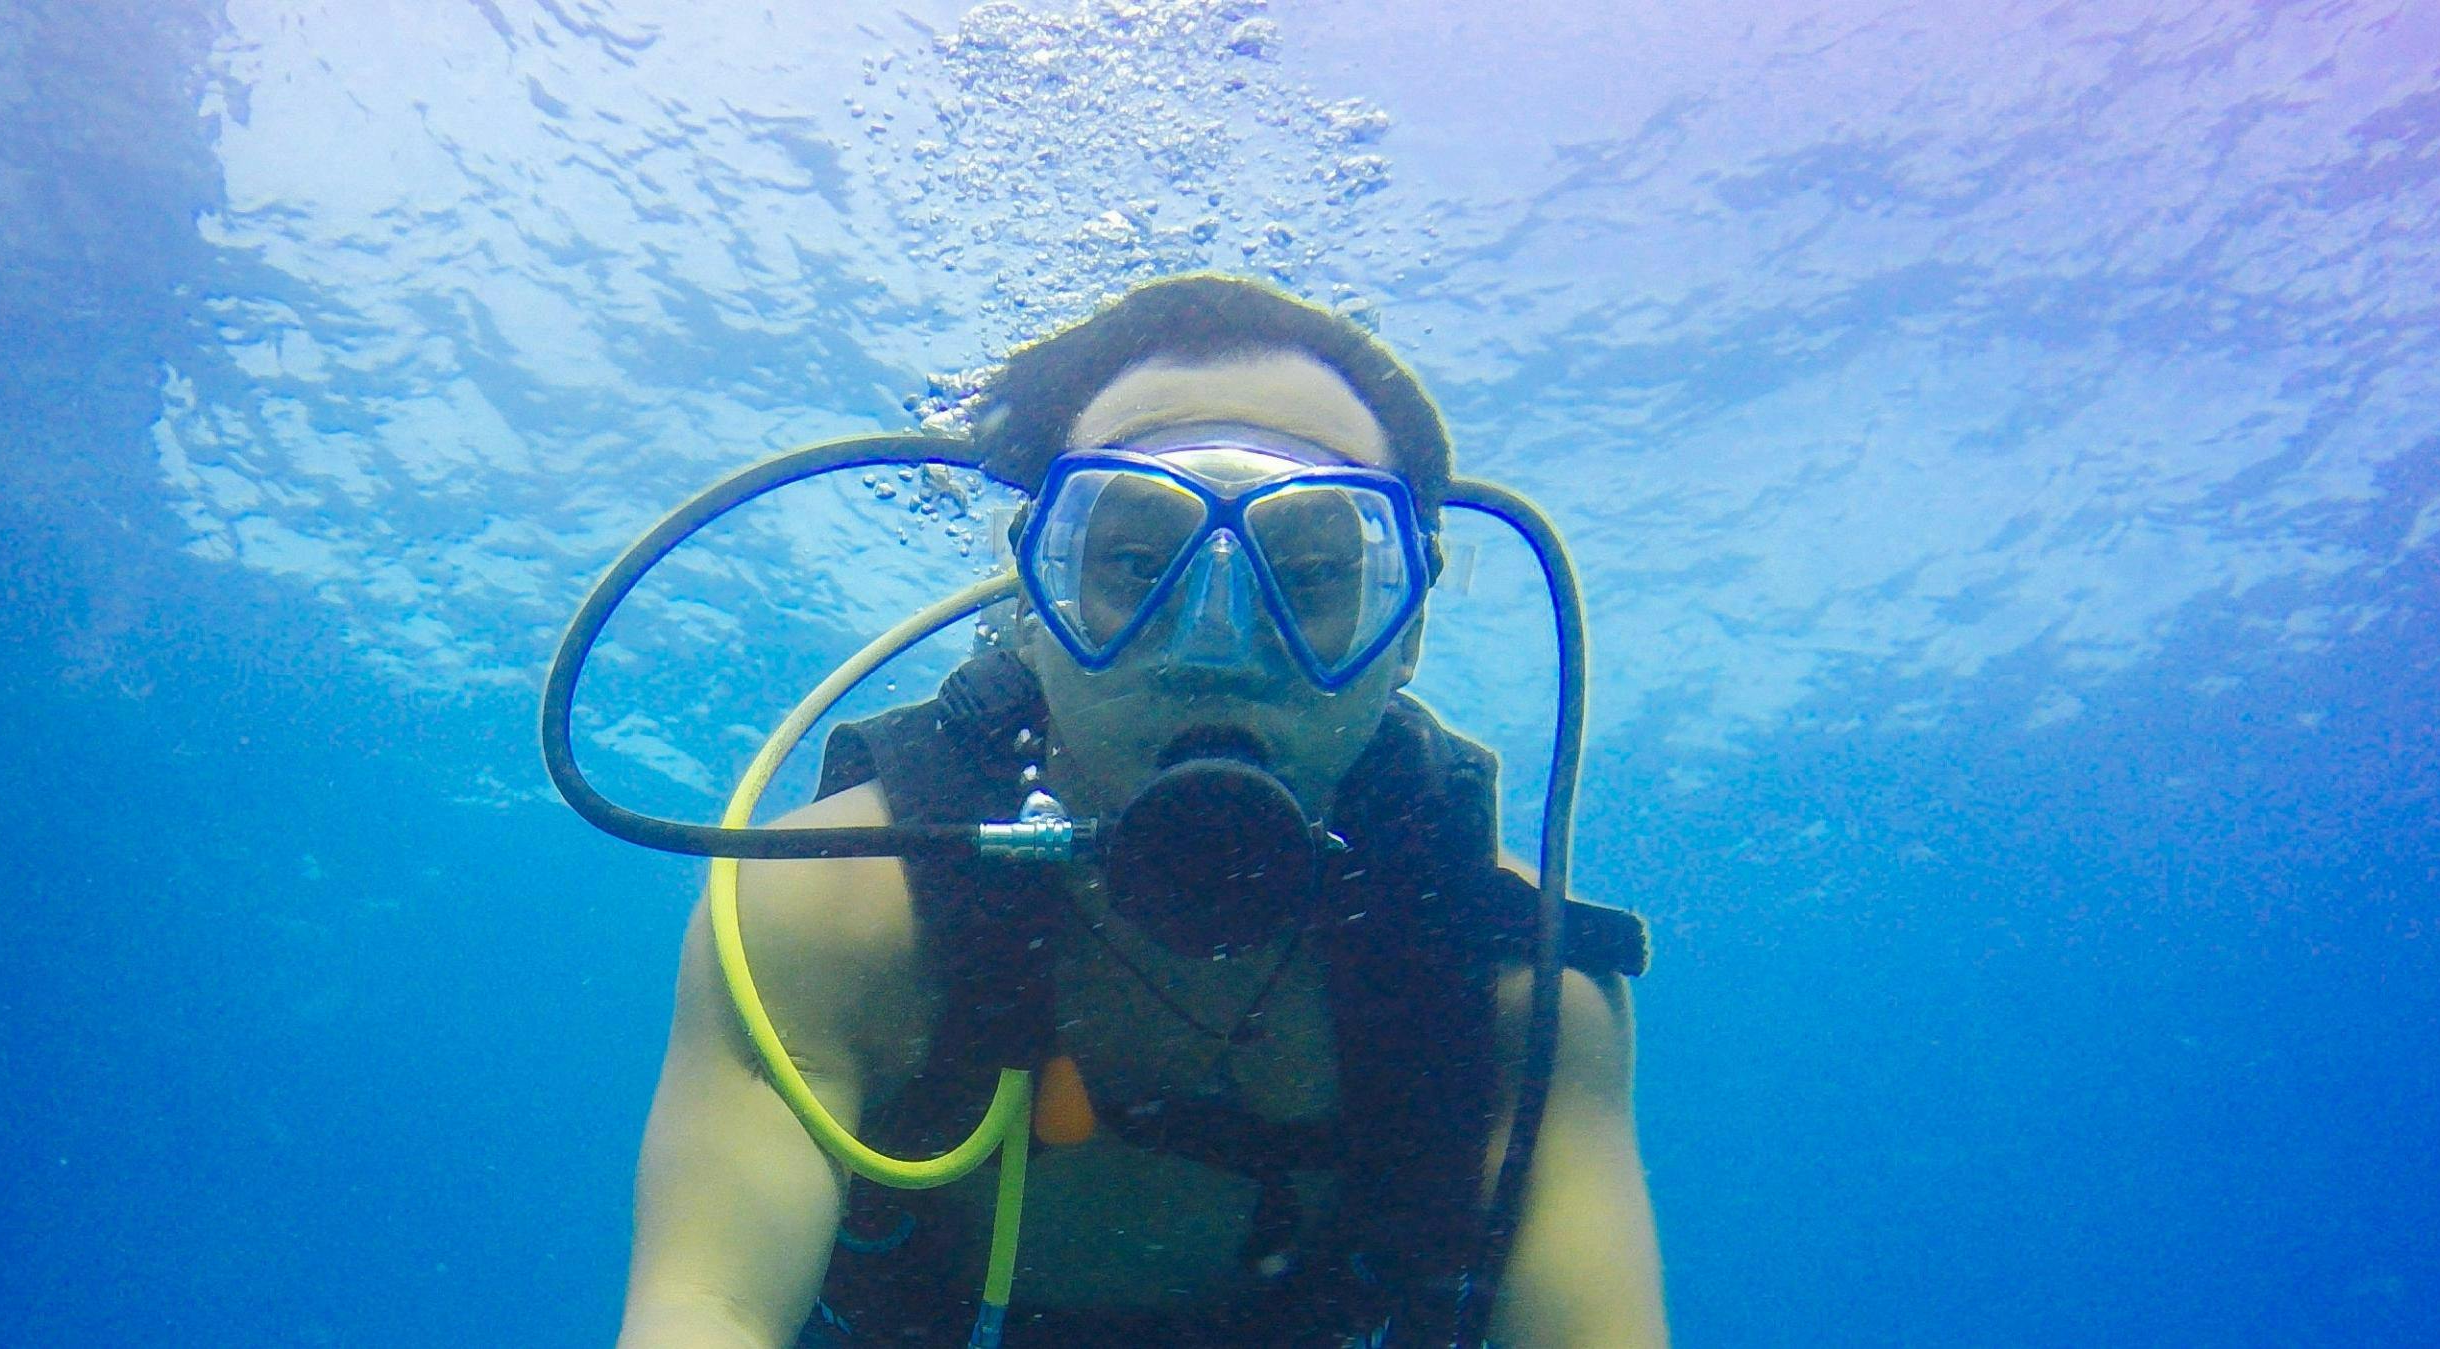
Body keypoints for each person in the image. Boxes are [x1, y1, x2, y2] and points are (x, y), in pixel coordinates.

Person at [599, 276, 1665, 1348]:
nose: (1214, 641)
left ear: (1404, 634)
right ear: (1031, 605)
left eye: (1307, 574)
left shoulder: (1514, 985)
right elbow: (710, 1310)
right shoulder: (832, 911)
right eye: (1133, 563)